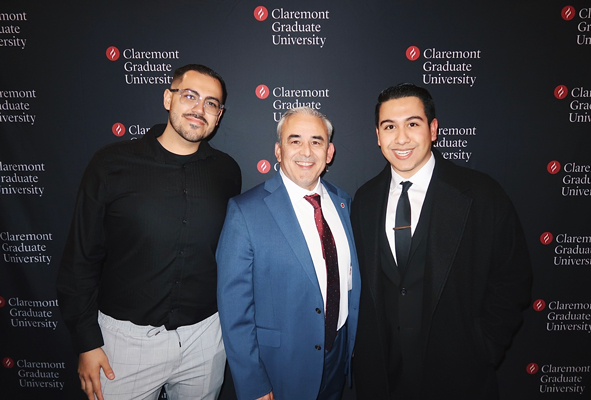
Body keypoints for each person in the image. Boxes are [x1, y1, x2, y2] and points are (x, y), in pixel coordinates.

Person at [57, 64, 241, 400]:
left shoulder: (227, 171)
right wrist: (86, 342)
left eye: (211, 103)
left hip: (205, 339)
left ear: (219, 115)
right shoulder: (112, 163)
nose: (200, 109)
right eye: (190, 96)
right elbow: (80, 258)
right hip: (124, 346)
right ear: (168, 99)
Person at [351, 83, 532, 399]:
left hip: (459, 377)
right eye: (389, 126)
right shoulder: (364, 200)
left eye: (413, 124)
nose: (401, 137)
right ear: (378, 136)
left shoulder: (481, 194)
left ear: (433, 130)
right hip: (381, 379)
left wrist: (483, 346)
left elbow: (512, 277)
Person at [216, 107, 361, 400]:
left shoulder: (343, 202)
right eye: (295, 141)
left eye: (316, 141)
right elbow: (234, 312)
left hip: (337, 356)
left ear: (329, 152)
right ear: (278, 151)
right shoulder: (245, 211)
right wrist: (253, 383)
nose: (306, 151)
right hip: (280, 367)